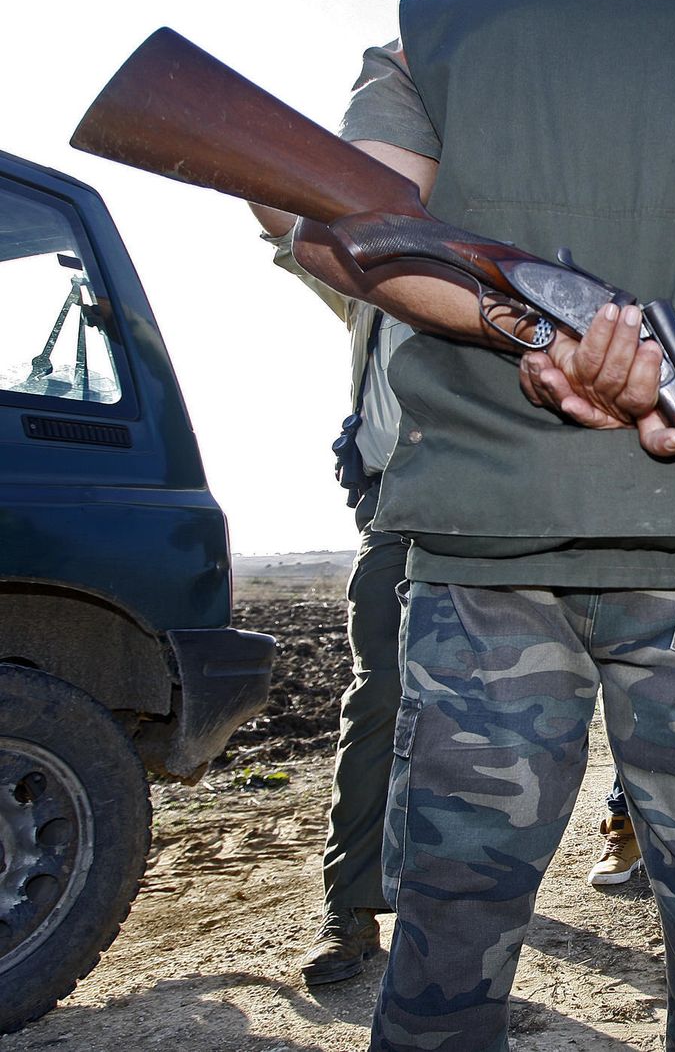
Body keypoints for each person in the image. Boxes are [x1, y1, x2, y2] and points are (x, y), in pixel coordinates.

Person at [288, 0, 675, 1049]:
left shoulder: (433, 31)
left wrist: (543, 335)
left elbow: (343, 228)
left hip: (484, 543)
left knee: (449, 944)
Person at [252, 208, 413, 986]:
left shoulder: (500, 262)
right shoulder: (368, 281)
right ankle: (349, 909)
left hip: (491, 513)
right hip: (391, 510)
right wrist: (230, 145)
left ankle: (462, 896)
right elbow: (286, 224)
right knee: (377, 696)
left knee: (488, 708)